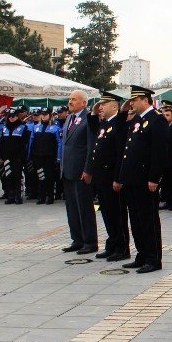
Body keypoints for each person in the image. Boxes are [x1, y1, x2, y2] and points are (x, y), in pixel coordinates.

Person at [116, 86, 169, 273]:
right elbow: (126, 147)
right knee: (136, 220)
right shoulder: (138, 120)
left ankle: (154, 258)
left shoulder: (157, 120)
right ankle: (141, 254)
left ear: (145, 100)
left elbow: (159, 152)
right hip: (131, 178)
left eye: (134, 100)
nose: (131, 103)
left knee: (148, 220)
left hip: (145, 179)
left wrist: (154, 178)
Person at [87, 92, 130, 262]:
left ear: (114, 106)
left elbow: (120, 154)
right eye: (100, 104)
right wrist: (93, 112)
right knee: (107, 214)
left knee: (117, 214)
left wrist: (118, 178)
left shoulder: (118, 124)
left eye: (104, 104)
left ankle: (122, 247)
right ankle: (112, 244)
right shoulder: (104, 124)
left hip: (112, 176)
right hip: (102, 177)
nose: (101, 107)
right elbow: (92, 128)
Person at [59, 90, 98, 255]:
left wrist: (88, 169)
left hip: (81, 171)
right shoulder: (69, 118)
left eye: (73, 99)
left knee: (84, 208)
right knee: (72, 207)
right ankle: (77, 239)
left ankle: (90, 241)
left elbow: (91, 146)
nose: (70, 102)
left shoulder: (88, 119)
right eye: (69, 99)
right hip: (68, 170)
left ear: (84, 103)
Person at [29, 109, 62, 205]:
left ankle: (50, 196)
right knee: (40, 176)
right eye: (42, 114)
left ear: (50, 115)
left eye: (45, 114)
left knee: (49, 177)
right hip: (38, 156)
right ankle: (41, 196)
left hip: (50, 157)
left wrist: (58, 157)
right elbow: (31, 142)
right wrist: (30, 155)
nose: (43, 116)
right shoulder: (36, 128)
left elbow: (59, 143)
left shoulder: (55, 128)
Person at [0, 108, 30, 204]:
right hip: (7, 157)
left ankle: (18, 196)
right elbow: (2, 143)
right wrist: (0, 156)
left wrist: (22, 157)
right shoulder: (4, 128)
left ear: (17, 117)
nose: (11, 118)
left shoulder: (23, 127)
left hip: (18, 157)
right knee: (9, 176)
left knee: (17, 177)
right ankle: (10, 196)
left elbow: (25, 144)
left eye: (13, 116)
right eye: (10, 116)